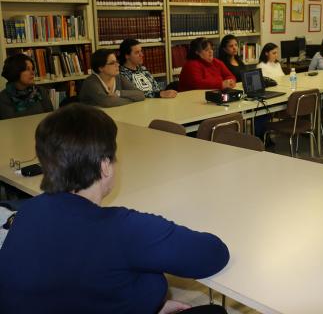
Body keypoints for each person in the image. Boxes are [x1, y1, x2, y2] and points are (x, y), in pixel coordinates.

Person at [0, 104, 230, 313]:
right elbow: (214, 255)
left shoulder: (28, 212)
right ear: (105, 166)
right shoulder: (123, 228)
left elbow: (73, 287)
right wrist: (152, 289)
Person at [79, 49, 145, 107]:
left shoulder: (118, 77)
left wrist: (118, 93)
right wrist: (132, 99)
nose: (118, 65)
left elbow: (140, 95)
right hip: (92, 118)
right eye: (112, 63)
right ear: (101, 68)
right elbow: (108, 102)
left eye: (116, 61)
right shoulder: (91, 82)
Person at [0, 54, 53, 120]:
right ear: (16, 71)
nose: (32, 73)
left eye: (32, 69)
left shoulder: (41, 91)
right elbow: (8, 124)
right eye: (27, 69)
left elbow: (50, 119)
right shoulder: (3, 98)